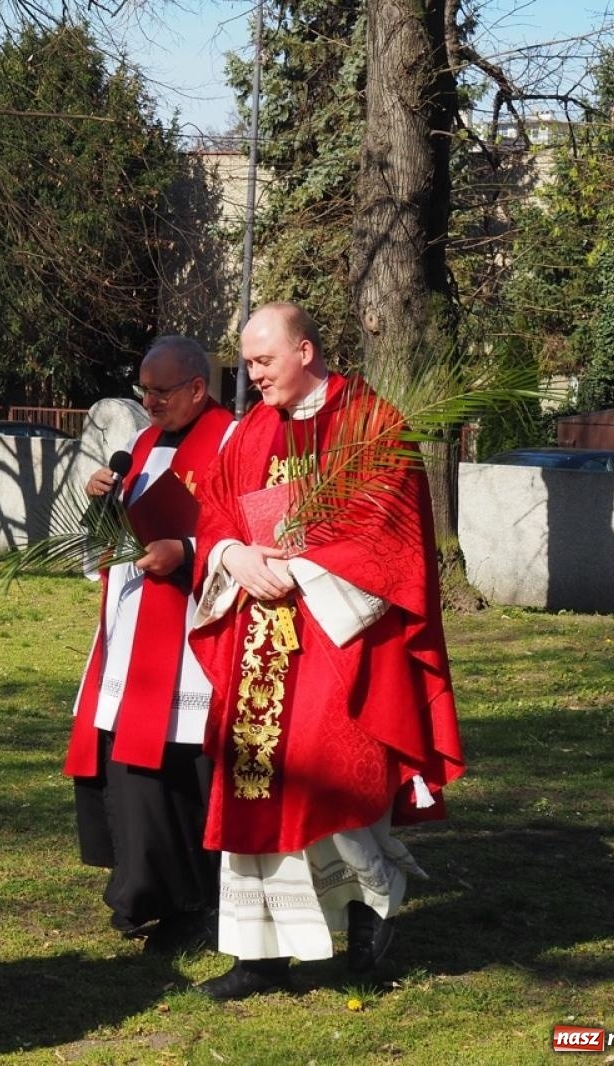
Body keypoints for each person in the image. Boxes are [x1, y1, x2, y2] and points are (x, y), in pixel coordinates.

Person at [187, 302, 464, 1000]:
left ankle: (373, 900)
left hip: (334, 638)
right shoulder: (251, 431)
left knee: (328, 771)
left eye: (262, 362)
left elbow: (388, 536)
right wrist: (232, 555)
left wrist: (300, 569)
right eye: (246, 364)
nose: (251, 378)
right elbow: (217, 509)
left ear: (305, 351)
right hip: (260, 637)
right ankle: (259, 954)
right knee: (257, 785)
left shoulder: (372, 424)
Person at [66, 336, 235, 955]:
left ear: (197, 387)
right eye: (144, 389)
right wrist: (102, 505)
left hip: (188, 636)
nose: (149, 400)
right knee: (125, 766)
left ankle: (193, 902)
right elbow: (120, 533)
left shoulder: (229, 441)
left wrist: (187, 553)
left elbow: (248, 533)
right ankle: (141, 891)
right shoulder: (140, 445)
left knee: (176, 772)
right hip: (129, 626)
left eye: (161, 391)